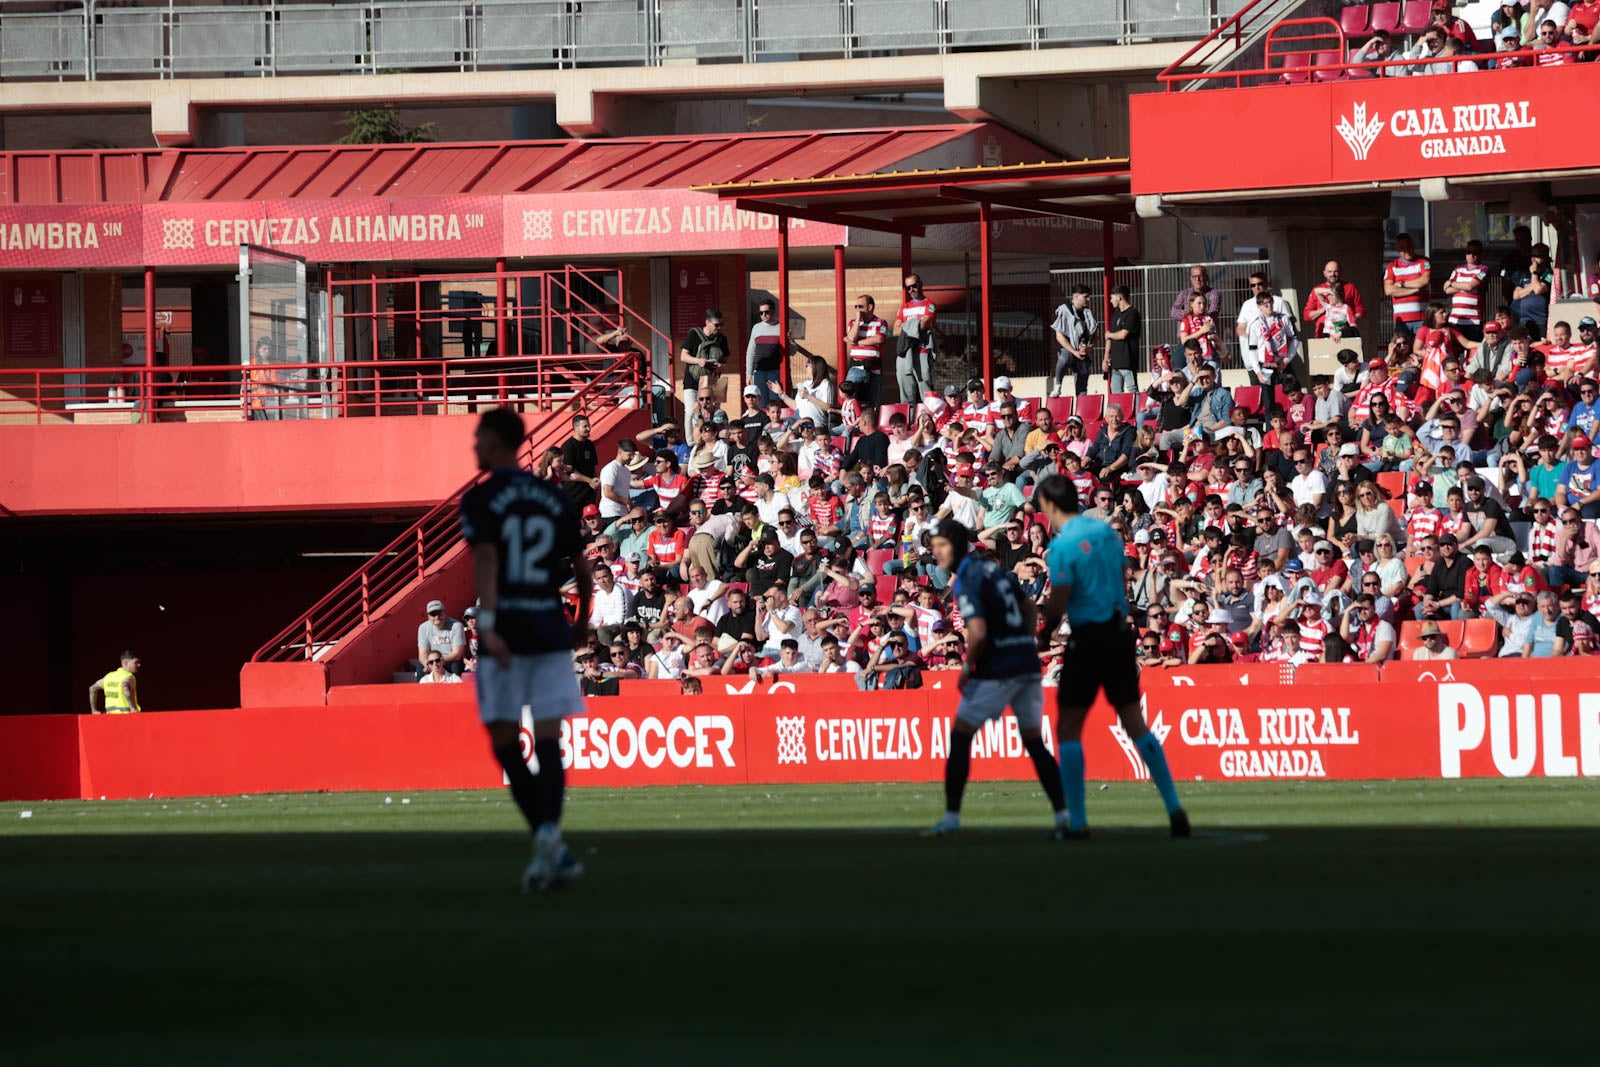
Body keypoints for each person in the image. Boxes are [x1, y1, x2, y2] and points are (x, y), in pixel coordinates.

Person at [461, 406, 591, 893]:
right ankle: (551, 842)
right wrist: (583, 622)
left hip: (509, 629)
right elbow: (581, 566)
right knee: (549, 740)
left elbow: (487, 561)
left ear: (496, 442)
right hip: (550, 626)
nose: (474, 446)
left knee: (503, 740)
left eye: (479, 437)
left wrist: (488, 624)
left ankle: (545, 837)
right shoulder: (553, 497)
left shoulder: (481, 497)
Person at [1035, 474, 1189, 838]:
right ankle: (1174, 807)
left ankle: (1077, 822)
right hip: (1120, 635)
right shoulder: (1105, 533)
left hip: (1088, 637)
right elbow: (1120, 575)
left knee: (1069, 727)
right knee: (1135, 723)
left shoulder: (1062, 545)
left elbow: (1060, 599)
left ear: (1051, 505)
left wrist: (1043, 633)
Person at [927, 519, 1068, 837]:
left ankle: (951, 819)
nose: (937, 553)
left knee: (960, 737)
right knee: (1034, 743)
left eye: (941, 546)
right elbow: (1028, 607)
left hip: (999, 667)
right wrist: (1030, 641)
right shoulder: (992, 571)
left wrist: (968, 667)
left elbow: (977, 633)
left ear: (956, 546)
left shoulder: (967, 578)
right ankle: (1063, 816)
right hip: (1026, 664)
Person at [679, 308, 730, 417]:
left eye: (721, 324)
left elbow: (725, 358)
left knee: (714, 413)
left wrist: (722, 366)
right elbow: (683, 356)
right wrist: (698, 361)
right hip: (692, 381)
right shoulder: (694, 334)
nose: (719, 328)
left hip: (713, 381)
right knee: (691, 412)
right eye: (716, 325)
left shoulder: (722, 339)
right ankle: (691, 429)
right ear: (707, 322)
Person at [893, 273, 935, 405]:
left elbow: (924, 324)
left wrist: (905, 325)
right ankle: (908, 418)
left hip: (921, 352)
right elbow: (895, 330)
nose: (911, 289)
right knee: (905, 394)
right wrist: (915, 323)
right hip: (905, 352)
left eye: (914, 286)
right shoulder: (904, 307)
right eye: (908, 287)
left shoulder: (929, 304)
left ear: (920, 284)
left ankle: (929, 417)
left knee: (926, 392)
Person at [1051, 283, 1098, 397]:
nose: (1088, 299)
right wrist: (1074, 351)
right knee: (1064, 358)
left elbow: (1095, 336)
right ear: (1076, 297)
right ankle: (1057, 386)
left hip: (1082, 353)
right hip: (1069, 350)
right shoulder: (1065, 310)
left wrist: (1088, 348)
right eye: (1086, 296)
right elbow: (1059, 336)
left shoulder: (1088, 314)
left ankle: (1081, 402)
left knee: (1082, 387)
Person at [843, 294, 888, 408]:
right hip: (856, 367)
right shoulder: (853, 323)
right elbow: (851, 337)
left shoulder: (881, 322)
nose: (858, 310)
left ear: (870, 307)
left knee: (873, 404)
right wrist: (858, 320)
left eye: (860, 307)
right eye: (856, 307)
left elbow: (879, 339)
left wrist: (858, 342)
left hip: (874, 368)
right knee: (850, 401)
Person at [745, 297, 787, 406]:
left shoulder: (782, 327)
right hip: (759, 372)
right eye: (761, 313)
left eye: (766, 312)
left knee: (775, 404)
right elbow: (751, 351)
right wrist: (748, 374)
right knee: (761, 403)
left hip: (775, 372)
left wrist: (789, 340)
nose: (763, 315)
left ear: (773, 311)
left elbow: (792, 351)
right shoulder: (756, 328)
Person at [1104, 285, 1141, 393]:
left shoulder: (1132, 313)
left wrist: (1110, 335)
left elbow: (1123, 334)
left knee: (1132, 390)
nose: (1111, 301)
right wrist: (1106, 357)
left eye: (1112, 298)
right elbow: (1109, 337)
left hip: (1127, 361)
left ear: (1119, 297)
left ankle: (1136, 405)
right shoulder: (1115, 315)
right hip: (1115, 363)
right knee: (1116, 392)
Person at [417, 599, 467, 676]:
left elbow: (457, 654)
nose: (437, 617)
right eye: (433, 614)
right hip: (432, 661)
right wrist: (427, 664)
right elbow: (423, 654)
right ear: (428, 616)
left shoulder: (456, 626)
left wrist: (437, 662)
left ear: (444, 613)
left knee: (456, 666)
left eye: (439, 613)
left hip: (450, 660)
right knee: (420, 669)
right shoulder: (423, 628)